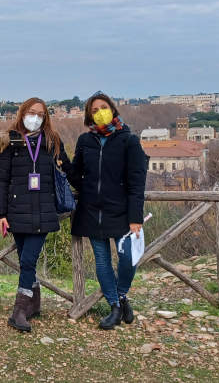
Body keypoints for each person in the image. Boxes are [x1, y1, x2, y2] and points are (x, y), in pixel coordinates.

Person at [67, 92, 147, 330]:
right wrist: (61, 159)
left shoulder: (129, 140)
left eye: (103, 107)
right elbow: (78, 177)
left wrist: (136, 217)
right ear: (89, 116)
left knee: (127, 259)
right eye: (94, 110)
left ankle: (121, 296)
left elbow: (136, 182)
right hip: (92, 210)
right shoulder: (85, 141)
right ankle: (115, 306)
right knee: (102, 261)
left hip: (121, 212)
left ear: (112, 109)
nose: (99, 112)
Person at [0, 97, 71, 332]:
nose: (34, 118)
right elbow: (1, 179)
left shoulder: (52, 141)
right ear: (22, 113)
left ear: (45, 118)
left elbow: (67, 168)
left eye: (40, 114)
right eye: (31, 112)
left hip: (44, 211)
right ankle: (34, 304)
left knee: (27, 261)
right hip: (17, 212)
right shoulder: (10, 141)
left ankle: (19, 312)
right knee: (26, 261)